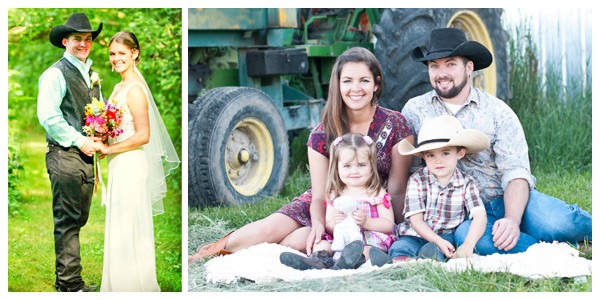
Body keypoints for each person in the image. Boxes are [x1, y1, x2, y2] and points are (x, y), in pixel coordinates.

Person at [189, 47, 414, 264]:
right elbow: (319, 195)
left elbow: (397, 191)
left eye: (364, 80)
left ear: (376, 84)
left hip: (371, 207)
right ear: (337, 85)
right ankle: (207, 253)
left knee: (302, 239)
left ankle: (280, 249)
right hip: (326, 206)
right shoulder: (322, 133)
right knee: (268, 229)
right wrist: (319, 223)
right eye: (347, 81)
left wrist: (394, 228)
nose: (356, 88)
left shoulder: (396, 125)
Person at [401, 27, 592, 256]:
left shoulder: (497, 111)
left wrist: (512, 218)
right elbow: (413, 169)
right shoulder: (415, 110)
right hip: (467, 212)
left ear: (469, 67)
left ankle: (566, 233)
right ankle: (554, 251)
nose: (442, 73)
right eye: (434, 66)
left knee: (557, 223)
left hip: (509, 196)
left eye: (450, 64)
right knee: (470, 238)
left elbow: (515, 171)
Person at [95, 31, 180, 291]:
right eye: (112, 54)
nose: (116, 58)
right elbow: (121, 127)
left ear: (135, 54)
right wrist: (101, 133)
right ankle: (118, 283)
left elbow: (143, 135)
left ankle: (131, 286)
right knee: (120, 223)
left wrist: (108, 150)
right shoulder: (118, 87)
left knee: (130, 224)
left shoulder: (134, 90)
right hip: (120, 164)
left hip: (131, 164)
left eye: (122, 53)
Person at [37, 12, 105, 292]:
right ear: (65, 41)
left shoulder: (91, 74)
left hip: (85, 158)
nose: (83, 44)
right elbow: (49, 117)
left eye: (87, 39)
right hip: (65, 155)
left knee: (78, 218)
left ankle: (67, 277)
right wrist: (81, 141)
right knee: (67, 219)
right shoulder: (55, 74)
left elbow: (98, 114)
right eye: (77, 39)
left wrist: (100, 134)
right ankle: (69, 283)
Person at [279, 133, 395, 270]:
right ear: (337, 167)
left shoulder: (377, 193)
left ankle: (351, 261)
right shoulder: (335, 194)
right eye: (347, 166)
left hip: (368, 240)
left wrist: (367, 222)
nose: (354, 171)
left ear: (371, 166)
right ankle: (317, 261)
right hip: (340, 240)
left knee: (366, 250)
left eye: (361, 165)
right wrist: (336, 222)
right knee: (321, 244)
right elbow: (328, 225)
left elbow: (389, 225)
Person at [389, 115, 489, 261]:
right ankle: (400, 263)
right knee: (401, 247)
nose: (438, 161)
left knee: (435, 252)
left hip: (445, 236)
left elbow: (480, 216)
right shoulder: (417, 180)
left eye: (446, 153)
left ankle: (428, 262)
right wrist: (436, 240)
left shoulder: (467, 183)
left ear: (460, 153)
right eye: (431, 155)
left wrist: (468, 244)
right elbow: (416, 220)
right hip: (415, 233)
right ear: (424, 157)